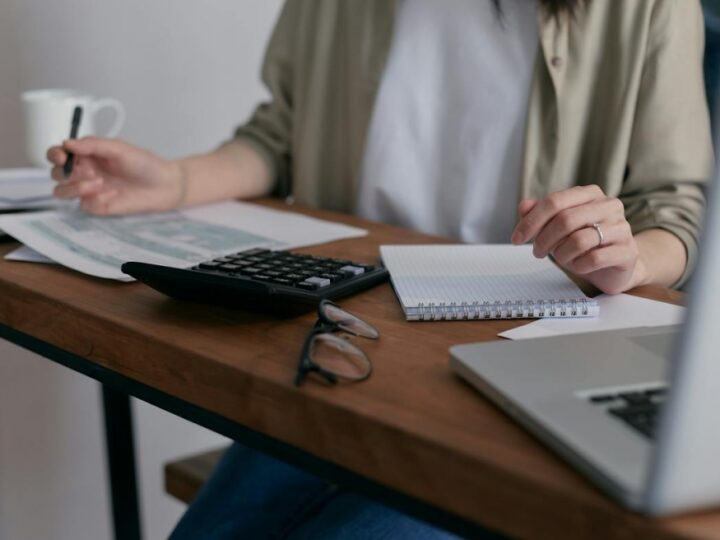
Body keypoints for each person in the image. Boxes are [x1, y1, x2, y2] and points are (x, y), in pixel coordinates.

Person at [47, 0, 713, 538]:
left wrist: (626, 256)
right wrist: (174, 180)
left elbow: (676, 209)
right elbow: (279, 136)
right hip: (346, 343)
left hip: (526, 361)